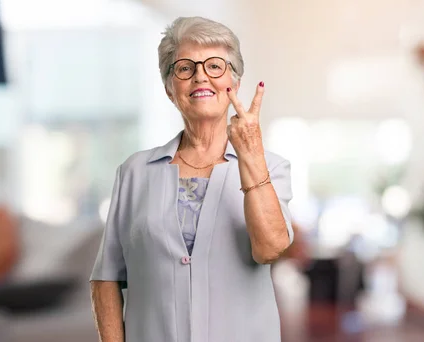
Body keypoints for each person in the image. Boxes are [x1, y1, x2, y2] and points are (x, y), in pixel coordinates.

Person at [89, 16, 294, 342]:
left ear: (235, 84)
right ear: (171, 89)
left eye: (215, 66)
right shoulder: (134, 171)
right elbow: (106, 278)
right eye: (184, 68)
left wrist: (250, 153)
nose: (200, 76)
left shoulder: (272, 166)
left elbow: (270, 248)